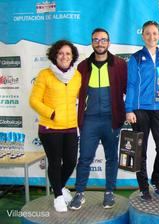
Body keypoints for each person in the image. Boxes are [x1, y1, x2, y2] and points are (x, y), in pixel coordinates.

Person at [69, 28, 127, 210]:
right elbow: (73, 92)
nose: (100, 43)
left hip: (112, 120)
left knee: (111, 158)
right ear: (92, 42)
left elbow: (129, 90)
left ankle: (109, 192)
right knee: (85, 158)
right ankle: (79, 193)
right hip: (90, 120)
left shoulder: (119, 64)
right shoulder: (82, 66)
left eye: (103, 40)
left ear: (108, 42)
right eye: (96, 40)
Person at [29, 40, 81, 212]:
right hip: (50, 128)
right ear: (55, 55)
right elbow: (34, 100)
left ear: (72, 56)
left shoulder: (77, 76)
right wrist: (51, 113)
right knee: (54, 162)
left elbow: (81, 98)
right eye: (61, 53)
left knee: (71, 161)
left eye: (68, 53)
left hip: (71, 127)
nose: (64, 56)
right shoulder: (45, 74)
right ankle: (58, 196)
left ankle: (58, 187)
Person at [125, 21, 159, 201]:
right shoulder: (136, 58)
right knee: (140, 151)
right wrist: (129, 109)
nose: (152, 37)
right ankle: (143, 187)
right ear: (142, 36)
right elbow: (132, 84)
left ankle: (156, 180)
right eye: (148, 33)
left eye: (155, 33)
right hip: (140, 110)